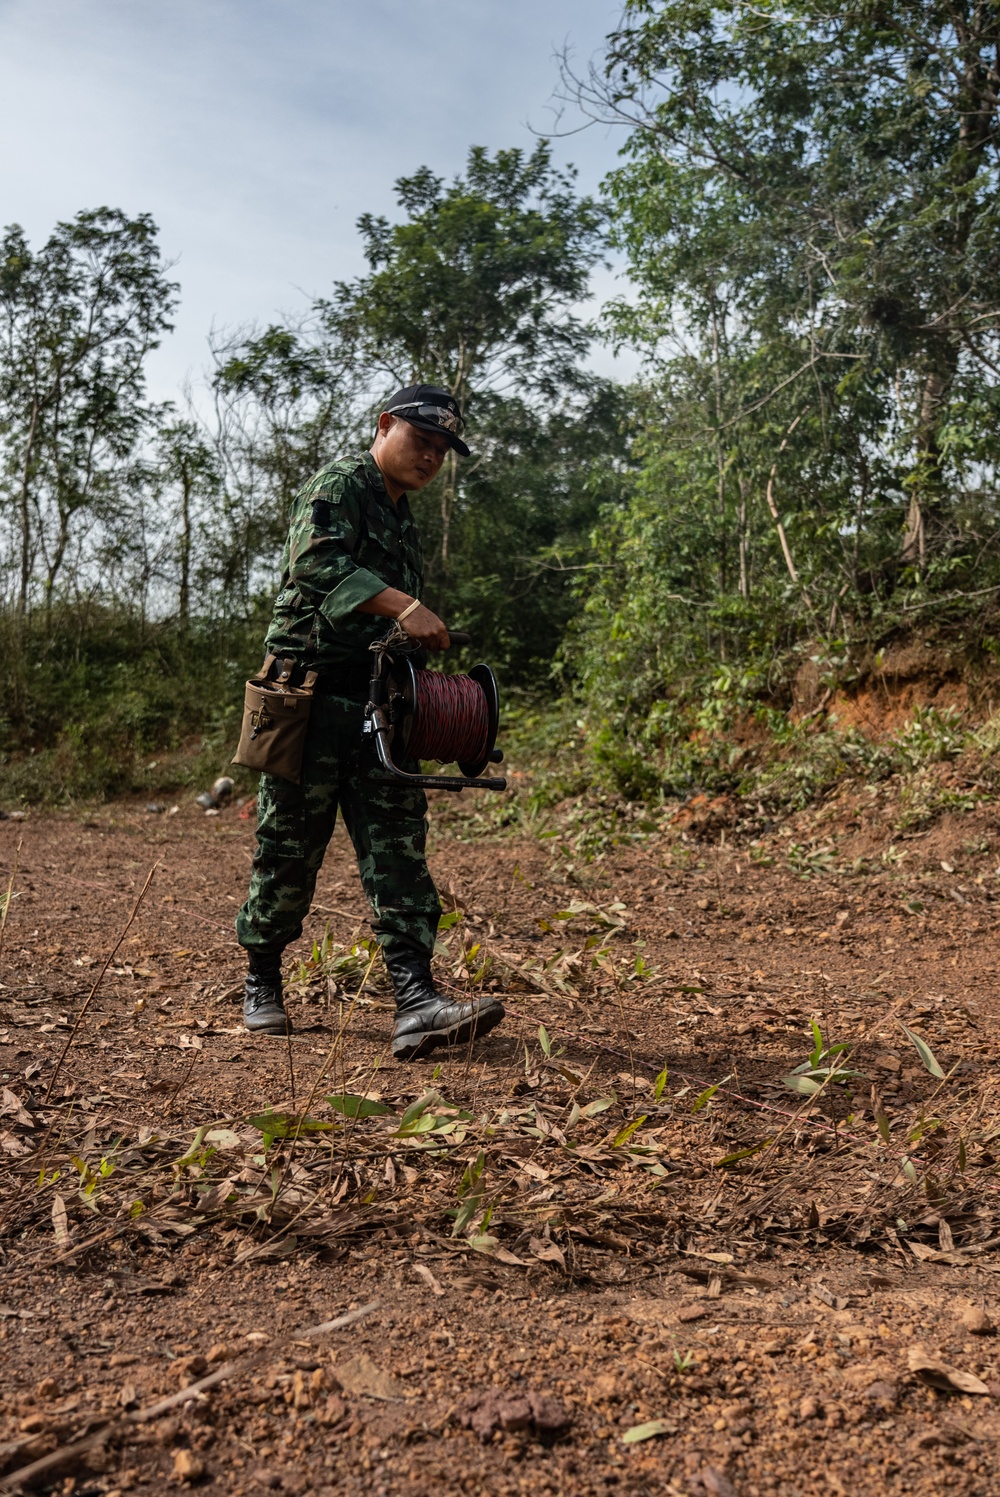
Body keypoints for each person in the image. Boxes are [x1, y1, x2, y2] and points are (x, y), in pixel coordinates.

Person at [235, 385, 505, 1060]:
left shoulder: (402, 514)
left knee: (399, 851)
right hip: (310, 700)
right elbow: (316, 562)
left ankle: (416, 1000)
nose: (431, 458)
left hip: (381, 707)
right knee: (288, 849)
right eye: (422, 442)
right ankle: (261, 979)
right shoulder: (341, 484)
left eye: (443, 451)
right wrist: (404, 605)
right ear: (384, 426)